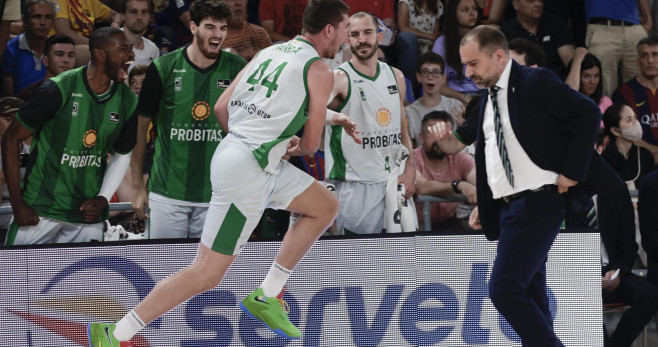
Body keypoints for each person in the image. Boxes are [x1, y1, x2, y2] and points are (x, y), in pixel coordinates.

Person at [87, 0, 352, 344]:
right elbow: (312, 145)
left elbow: (221, 107)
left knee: (324, 205)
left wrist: (255, 141)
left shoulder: (269, 52)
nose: (345, 38)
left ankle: (268, 294)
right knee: (206, 273)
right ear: (329, 29)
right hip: (250, 170)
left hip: (240, 155)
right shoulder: (319, 70)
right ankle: (115, 332)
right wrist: (289, 145)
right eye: (345, 29)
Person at [456, 25, 600, 346]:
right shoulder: (486, 98)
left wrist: (572, 171)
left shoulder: (535, 81)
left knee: (504, 289)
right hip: (510, 208)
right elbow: (495, 157)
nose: (468, 72)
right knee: (532, 294)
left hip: (539, 201)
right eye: (465, 64)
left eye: (474, 64)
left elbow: (588, 112)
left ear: (498, 55)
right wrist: (487, 201)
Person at [1, 27, 137, 245]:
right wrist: (17, 205)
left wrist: (102, 199)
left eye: (131, 49)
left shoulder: (128, 101)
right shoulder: (57, 89)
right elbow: (10, 139)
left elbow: (122, 154)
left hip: (87, 215)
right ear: (99, 54)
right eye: (123, 49)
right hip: (41, 210)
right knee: (18, 278)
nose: (131, 55)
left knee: (85, 280)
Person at [130, 0, 246, 239]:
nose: (218, 35)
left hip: (218, 194)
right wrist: (137, 186)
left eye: (223, 28)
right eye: (210, 27)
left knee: (209, 274)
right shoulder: (163, 68)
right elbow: (140, 129)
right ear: (193, 27)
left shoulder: (238, 68)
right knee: (165, 270)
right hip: (167, 194)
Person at [325, 11, 415, 235]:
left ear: (380, 37)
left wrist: (411, 168)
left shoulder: (397, 77)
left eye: (368, 32)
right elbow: (310, 115)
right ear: (347, 40)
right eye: (355, 34)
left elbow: (402, 129)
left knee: (398, 260)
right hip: (355, 186)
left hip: (393, 182)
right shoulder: (338, 78)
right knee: (360, 264)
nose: (362, 39)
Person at [414, 110, 476, 230]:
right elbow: (421, 186)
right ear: (421, 137)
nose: (439, 139)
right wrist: (458, 185)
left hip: (451, 221)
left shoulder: (461, 158)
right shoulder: (412, 158)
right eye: (433, 133)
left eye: (445, 134)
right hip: (418, 225)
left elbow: (478, 182)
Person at [586, 0, 652, 96]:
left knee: (641, 85)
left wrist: (648, 19)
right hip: (602, 27)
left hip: (633, 28)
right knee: (603, 88)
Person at [501, 0, 575, 79]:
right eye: (530, 1)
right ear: (516, 4)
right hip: (525, 84)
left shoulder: (555, 24)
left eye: (540, 1)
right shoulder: (506, 32)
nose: (538, 4)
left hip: (557, 83)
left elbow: (570, 62)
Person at [613, 35, 658, 159]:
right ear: (638, 62)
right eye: (644, 55)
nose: (650, 60)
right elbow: (626, 135)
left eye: (655, 54)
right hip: (640, 158)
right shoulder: (624, 93)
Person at [405, 52, 464, 146]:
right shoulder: (409, 112)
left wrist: (463, 127)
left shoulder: (456, 106)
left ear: (443, 78)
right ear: (418, 77)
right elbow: (410, 151)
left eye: (435, 72)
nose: (430, 77)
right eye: (425, 72)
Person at [2, 0, 54, 96]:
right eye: (37, 17)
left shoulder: (57, 49)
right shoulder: (10, 50)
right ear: (25, 22)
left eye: (48, 17)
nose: (43, 23)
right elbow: (9, 96)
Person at [432, 0, 480, 104]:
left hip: (480, 95)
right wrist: (465, 98)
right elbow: (438, 85)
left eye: (474, 8)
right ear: (454, 14)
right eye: (465, 10)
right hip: (452, 98)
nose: (472, 13)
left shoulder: (484, 39)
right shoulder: (442, 43)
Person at [602, 103, 657, 189]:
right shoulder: (604, 160)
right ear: (616, 131)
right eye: (629, 120)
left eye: (635, 118)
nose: (636, 123)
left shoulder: (645, 155)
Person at [395, 0, 442, 95]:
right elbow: (403, 28)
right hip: (410, 43)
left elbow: (436, 33)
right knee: (410, 39)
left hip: (429, 45)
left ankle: (428, 94)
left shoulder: (438, 4)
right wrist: (430, 36)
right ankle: (408, 93)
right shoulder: (406, 2)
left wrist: (434, 39)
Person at [17, 34, 76, 102]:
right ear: (45, 60)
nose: (66, 60)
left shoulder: (82, 90)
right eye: (59, 54)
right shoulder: (29, 94)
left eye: (71, 55)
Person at [566, 47, 612, 114]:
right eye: (586, 76)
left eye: (596, 76)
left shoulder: (606, 102)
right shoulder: (571, 102)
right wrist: (577, 60)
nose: (592, 82)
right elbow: (568, 95)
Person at [121, 0, 160, 72]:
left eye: (144, 12)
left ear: (150, 17)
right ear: (123, 15)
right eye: (133, 12)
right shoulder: (109, 43)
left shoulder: (153, 49)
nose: (139, 17)